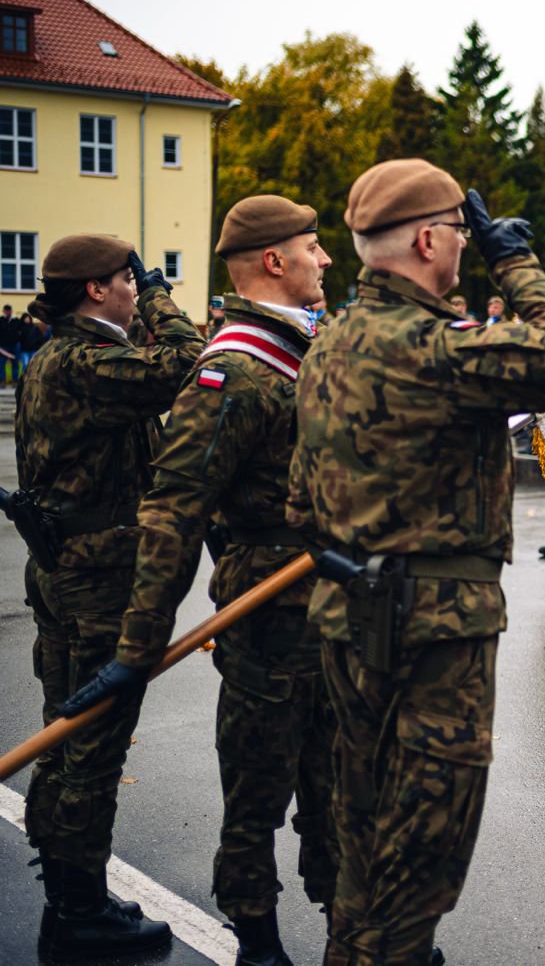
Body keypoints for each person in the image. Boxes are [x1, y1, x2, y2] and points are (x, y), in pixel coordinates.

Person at [285, 159, 545, 965]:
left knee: (363, 838)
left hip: (350, 618)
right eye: (464, 235)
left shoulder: (331, 343)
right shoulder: (433, 348)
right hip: (434, 632)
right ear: (430, 238)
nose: (468, 249)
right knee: (423, 861)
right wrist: (518, 262)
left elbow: (301, 502)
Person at [61, 196, 336, 965]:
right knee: (258, 787)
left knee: (342, 782)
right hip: (269, 608)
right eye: (314, 248)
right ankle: (256, 938)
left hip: (339, 605)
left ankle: (355, 925)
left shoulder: (311, 345)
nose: (326, 260)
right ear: (275, 261)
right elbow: (175, 513)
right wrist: (135, 648)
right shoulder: (234, 371)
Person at [15, 234, 204, 957]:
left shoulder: (63, 354)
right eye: (129, 279)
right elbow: (190, 364)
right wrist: (163, 298)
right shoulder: (86, 358)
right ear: (97, 289)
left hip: (71, 569)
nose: (137, 289)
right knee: (89, 745)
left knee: (69, 738)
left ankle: (73, 895)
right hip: (94, 583)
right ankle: (79, 912)